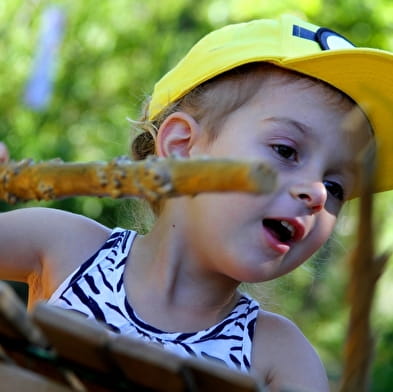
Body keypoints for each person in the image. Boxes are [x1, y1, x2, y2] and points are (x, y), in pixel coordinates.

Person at [1, 13, 393, 391]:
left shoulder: (279, 359)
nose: (318, 193)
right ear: (182, 147)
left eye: (337, 186)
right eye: (286, 151)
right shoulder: (65, 246)